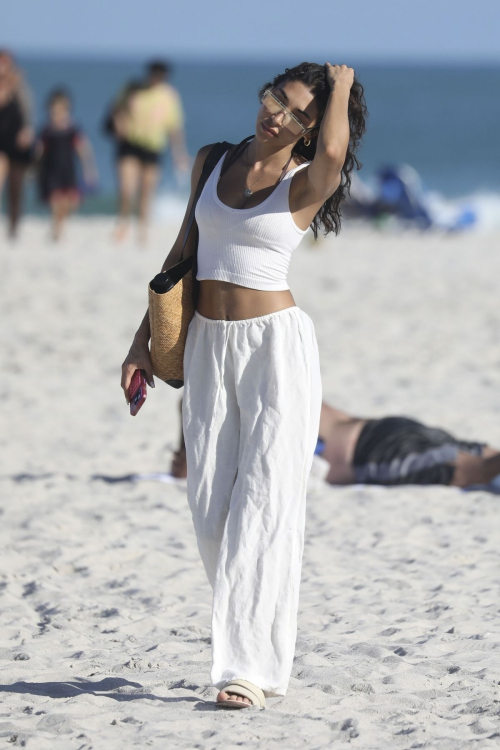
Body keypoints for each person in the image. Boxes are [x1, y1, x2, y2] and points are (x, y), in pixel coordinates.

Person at [121, 62, 367, 708]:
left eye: (295, 114)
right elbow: (180, 256)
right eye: (274, 99)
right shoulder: (211, 161)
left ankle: (247, 671)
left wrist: (339, 90)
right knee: (210, 510)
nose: (277, 116)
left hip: (275, 352)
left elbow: (338, 150)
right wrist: (140, 341)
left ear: (311, 132)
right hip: (206, 346)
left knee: (264, 505)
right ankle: (250, 648)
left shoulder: (306, 180)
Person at [171, 399, 500, 489]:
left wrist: (186, 453)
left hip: (373, 452)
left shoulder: (269, 424)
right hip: (383, 431)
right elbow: (189, 401)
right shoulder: (287, 393)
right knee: (472, 455)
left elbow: (190, 402)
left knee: (469, 470)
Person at [111, 60, 190, 245]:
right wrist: (119, 124)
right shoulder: (133, 88)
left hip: (153, 148)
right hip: (130, 143)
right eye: (154, 75)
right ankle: (123, 223)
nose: (156, 79)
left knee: (147, 192)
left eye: (160, 76)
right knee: (126, 188)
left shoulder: (169, 96)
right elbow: (116, 109)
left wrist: (179, 154)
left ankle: (142, 229)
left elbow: (175, 127)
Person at [36, 88, 98, 241]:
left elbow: (84, 151)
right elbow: (40, 152)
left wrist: (89, 170)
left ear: (66, 110)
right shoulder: (46, 131)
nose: (56, 115)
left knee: (69, 203)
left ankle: (59, 225)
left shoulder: (73, 129)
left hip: (68, 171)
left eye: (59, 111)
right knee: (55, 202)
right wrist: (34, 168)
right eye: (53, 111)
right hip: (50, 172)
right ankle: (56, 231)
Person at [0, 50, 35, 239]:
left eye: (6, 62)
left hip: (16, 141)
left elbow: (28, 109)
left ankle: (13, 227)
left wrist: (28, 129)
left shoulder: (19, 84)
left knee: (15, 187)